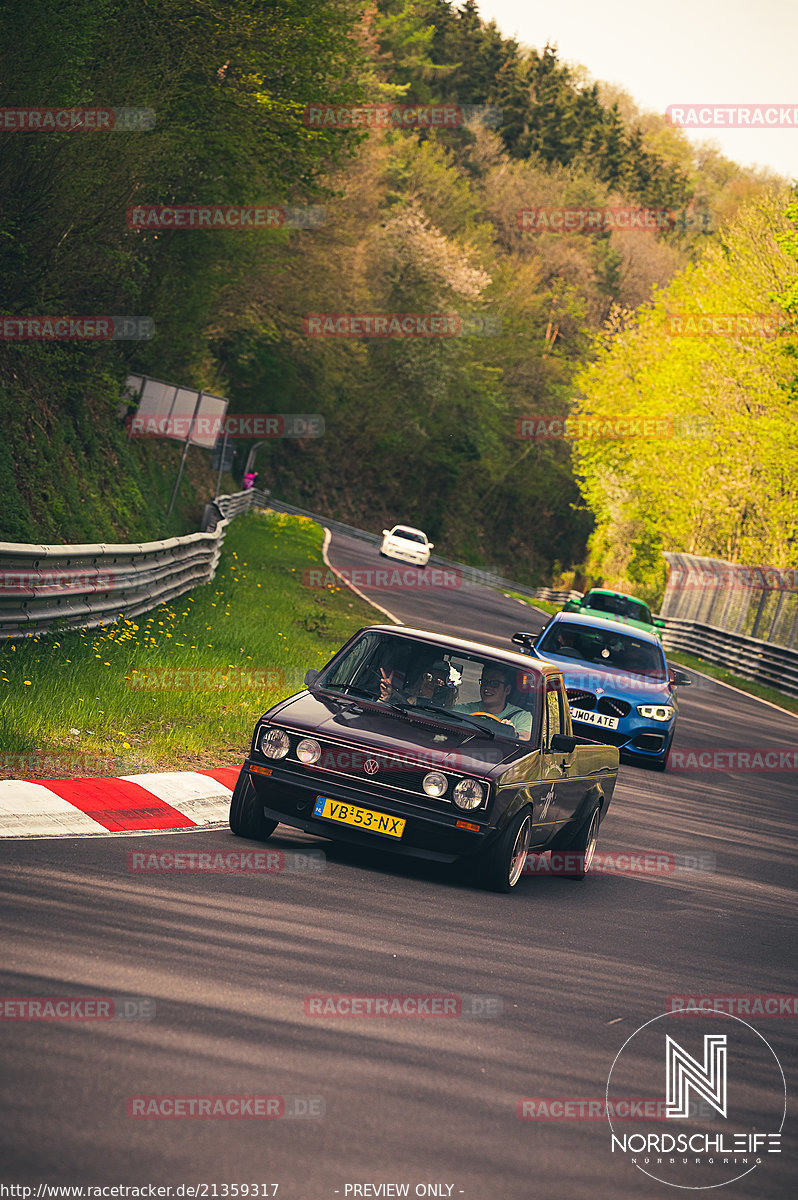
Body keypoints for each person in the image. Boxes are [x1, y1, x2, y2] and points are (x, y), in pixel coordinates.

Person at [453, 664, 532, 741]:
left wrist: (512, 733)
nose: (487, 688)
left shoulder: (521, 716)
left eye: (495, 684)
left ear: (507, 689)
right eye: (484, 682)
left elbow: (525, 740)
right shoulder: (462, 710)